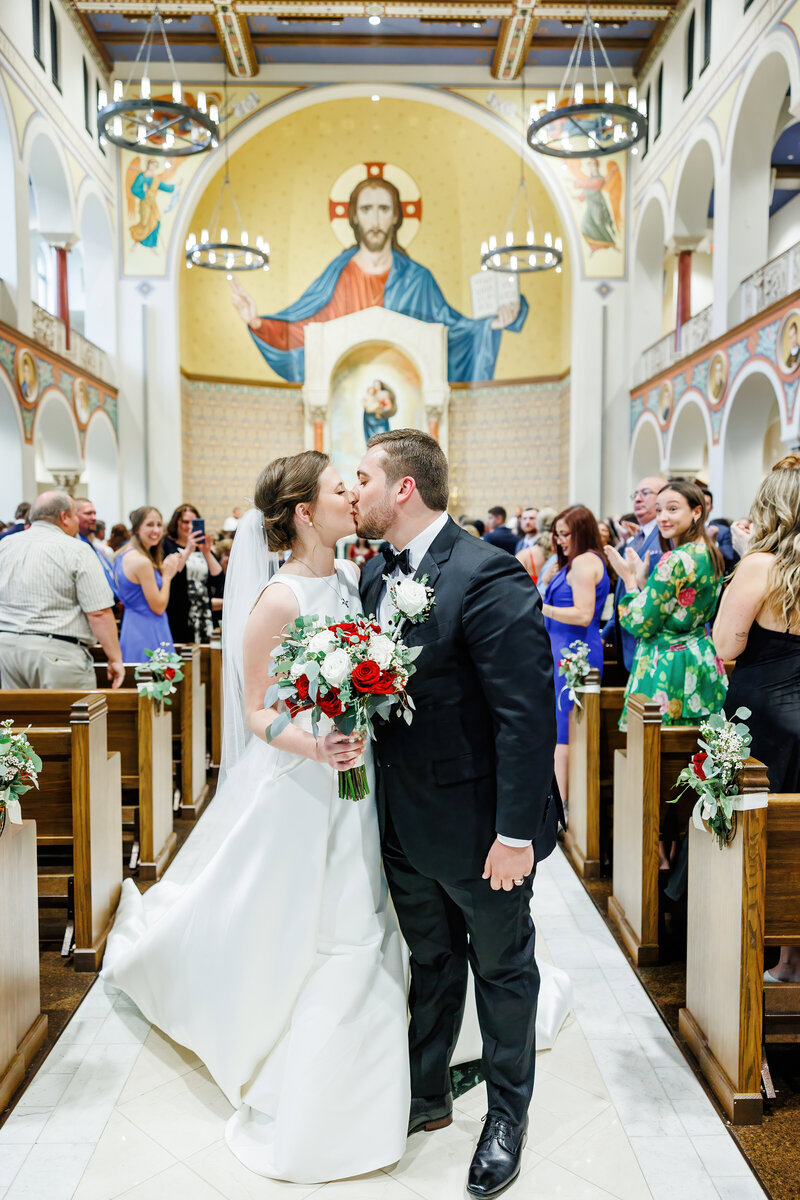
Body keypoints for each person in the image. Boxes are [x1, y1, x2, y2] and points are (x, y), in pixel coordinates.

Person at [102, 451, 411, 1182]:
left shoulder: (344, 578)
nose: (353, 498)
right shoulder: (279, 601)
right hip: (305, 785)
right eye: (342, 490)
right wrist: (317, 744)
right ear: (306, 512)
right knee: (299, 912)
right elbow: (255, 710)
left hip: (353, 773)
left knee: (358, 901)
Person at [355, 430, 563, 1199]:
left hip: (482, 833)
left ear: (404, 488)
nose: (356, 492)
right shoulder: (378, 575)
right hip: (405, 826)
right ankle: (426, 1092)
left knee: (502, 972)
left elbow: (525, 717)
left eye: (364, 477)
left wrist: (515, 834)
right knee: (431, 962)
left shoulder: (486, 574)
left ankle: (507, 1118)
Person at [229, 176, 526, 385]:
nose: (374, 220)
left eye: (383, 209)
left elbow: (450, 333)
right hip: (343, 391)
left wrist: (491, 325)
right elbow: (304, 331)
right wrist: (256, 322)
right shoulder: (339, 276)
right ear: (354, 217)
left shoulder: (417, 279)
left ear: (396, 216)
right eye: (366, 209)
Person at [713, 467, 800, 982]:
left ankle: (740, 959)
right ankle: (791, 962)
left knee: (756, 839)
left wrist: (746, 560)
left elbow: (727, 646)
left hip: (764, 716)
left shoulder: (760, 566)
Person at [605, 480, 728, 733]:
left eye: (672, 509)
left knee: (653, 753)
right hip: (700, 657)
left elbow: (639, 621)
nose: (663, 518)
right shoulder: (710, 552)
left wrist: (629, 581)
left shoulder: (675, 559)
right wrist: (642, 582)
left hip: (669, 663)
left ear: (697, 511)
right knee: (695, 749)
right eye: (659, 510)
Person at [0, 491, 124, 689]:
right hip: (56, 652)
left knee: (19, 718)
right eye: (75, 514)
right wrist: (115, 658)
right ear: (64, 517)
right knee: (69, 717)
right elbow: (99, 612)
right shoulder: (76, 549)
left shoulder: (5, 545)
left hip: (7, 650)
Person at [541, 506, 610, 804]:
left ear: (581, 531)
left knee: (564, 731)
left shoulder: (583, 562)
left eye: (565, 534)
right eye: (556, 534)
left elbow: (583, 614)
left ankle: (562, 807)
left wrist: (541, 607)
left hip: (573, 651)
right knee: (560, 727)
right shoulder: (577, 561)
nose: (559, 541)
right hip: (562, 647)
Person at [601, 477, 666, 674]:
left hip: (651, 642)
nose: (637, 499)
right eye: (635, 494)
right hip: (627, 642)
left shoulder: (665, 538)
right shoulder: (633, 542)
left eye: (645, 493)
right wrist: (607, 633)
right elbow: (621, 596)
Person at [114, 507, 184, 662]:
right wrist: (167, 576)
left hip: (131, 626)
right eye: (150, 524)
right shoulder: (142, 561)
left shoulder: (122, 554)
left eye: (159, 525)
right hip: (148, 630)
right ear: (138, 528)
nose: (156, 530)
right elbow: (158, 607)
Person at [163, 504, 224, 643]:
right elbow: (171, 576)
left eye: (194, 523)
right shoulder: (166, 545)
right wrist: (188, 549)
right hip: (178, 613)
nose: (190, 526)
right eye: (185, 522)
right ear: (176, 523)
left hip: (204, 614)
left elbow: (218, 579)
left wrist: (207, 553)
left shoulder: (201, 548)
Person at [75, 498, 118, 597]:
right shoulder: (76, 546)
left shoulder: (93, 546)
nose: (93, 518)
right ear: (74, 516)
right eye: (88, 514)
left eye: (94, 513)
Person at [698, 485, 738, 571]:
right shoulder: (686, 528)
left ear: (711, 507)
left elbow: (729, 557)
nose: (703, 507)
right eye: (700, 503)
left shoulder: (722, 531)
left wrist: (713, 542)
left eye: (706, 503)